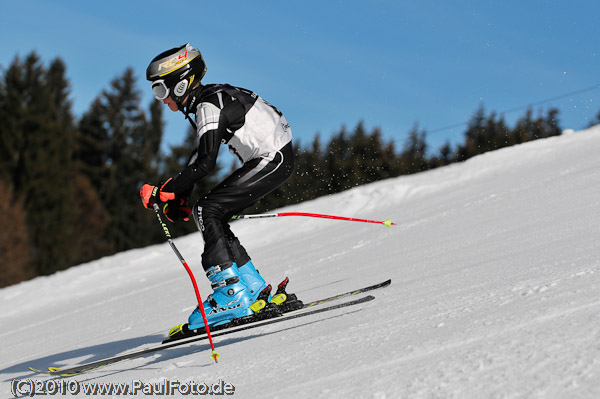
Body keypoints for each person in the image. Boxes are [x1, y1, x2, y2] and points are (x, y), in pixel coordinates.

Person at [140, 44, 294, 329]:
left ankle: (229, 294)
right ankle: (252, 287)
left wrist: (165, 191)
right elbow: (201, 156)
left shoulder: (208, 105)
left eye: (160, 90)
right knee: (212, 211)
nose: (160, 100)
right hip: (276, 155)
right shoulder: (211, 98)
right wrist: (179, 194)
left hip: (272, 158)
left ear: (180, 84)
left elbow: (206, 163)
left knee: (206, 210)